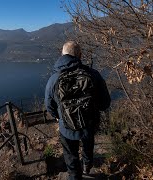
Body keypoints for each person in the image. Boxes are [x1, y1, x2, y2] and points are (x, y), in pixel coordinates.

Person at [45, 41, 111, 180]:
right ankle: (87, 166)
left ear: (61, 55)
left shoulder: (54, 79)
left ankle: (75, 176)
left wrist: (59, 117)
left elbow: (49, 106)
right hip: (89, 124)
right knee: (88, 144)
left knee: (70, 154)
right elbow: (105, 103)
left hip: (66, 127)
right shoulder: (93, 74)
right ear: (80, 55)